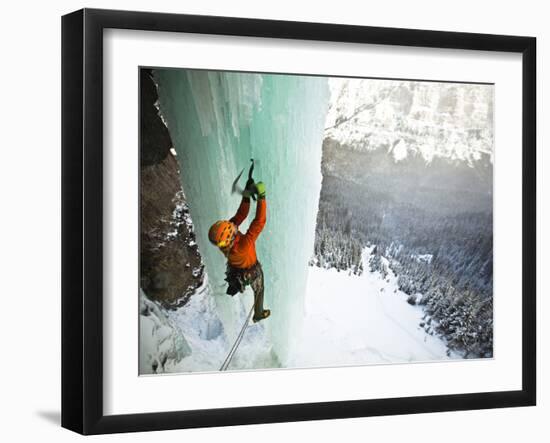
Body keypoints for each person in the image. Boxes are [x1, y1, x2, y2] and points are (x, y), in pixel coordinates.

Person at [208, 180, 270, 323]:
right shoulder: (242, 246)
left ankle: (235, 286)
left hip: (236, 269)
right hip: (250, 271)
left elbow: (241, 214)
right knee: (259, 289)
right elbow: (259, 222)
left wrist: (246, 196)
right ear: (230, 234)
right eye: (231, 227)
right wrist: (262, 197)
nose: (233, 225)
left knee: (254, 285)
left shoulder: (227, 241)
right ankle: (258, 313)